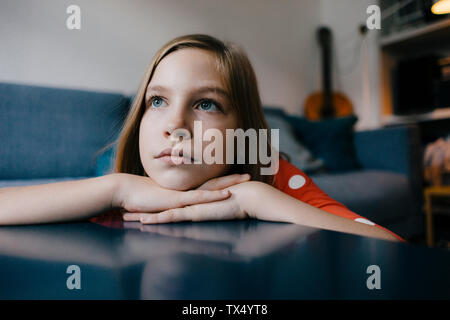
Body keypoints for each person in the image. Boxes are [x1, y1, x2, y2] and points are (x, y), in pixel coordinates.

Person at [0, 34, 405, 243]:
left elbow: (394, 248)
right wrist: (117, 188)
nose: (174, 124)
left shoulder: (272, 178)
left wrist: (254, 200)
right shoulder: (121, 184)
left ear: (243, 130)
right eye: (157, 101)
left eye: (207, 105)